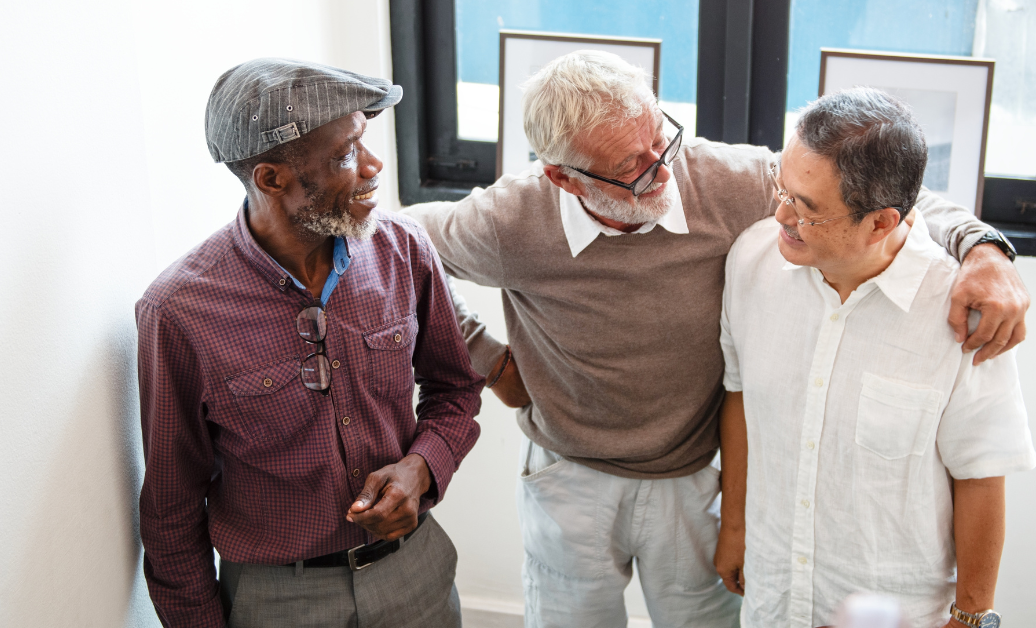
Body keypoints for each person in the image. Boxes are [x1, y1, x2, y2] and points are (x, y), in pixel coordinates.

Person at [401, 51, 1029, 628]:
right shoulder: (509, 220)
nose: (663, 170)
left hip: (691, 477)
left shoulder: (727, 181)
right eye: (630, 167)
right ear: (566, 179)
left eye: (660, 137)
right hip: (569, 478)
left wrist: (983, 247)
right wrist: (484, 358)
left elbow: (883, 194)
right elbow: (395, 247)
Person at [135, 58, 484, 628]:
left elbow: (457, 390)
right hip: (276, 602)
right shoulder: (177, 313)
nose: (373, 167)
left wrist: (422, 468)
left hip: (415, 573)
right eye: (346, 154)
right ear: (271, 179)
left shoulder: (404, 251)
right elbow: (171, 509)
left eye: (363, 141)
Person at [714, 87, 1036, 628]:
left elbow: (980, 476)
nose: (780, 214)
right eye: (783, 190)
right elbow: (741, 399)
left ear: (882, 222)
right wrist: (734, 527)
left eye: (807, 209)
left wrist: (973, 614)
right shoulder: (750, 262)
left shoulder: (962, 315)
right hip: (772, 593)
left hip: (895, 609)